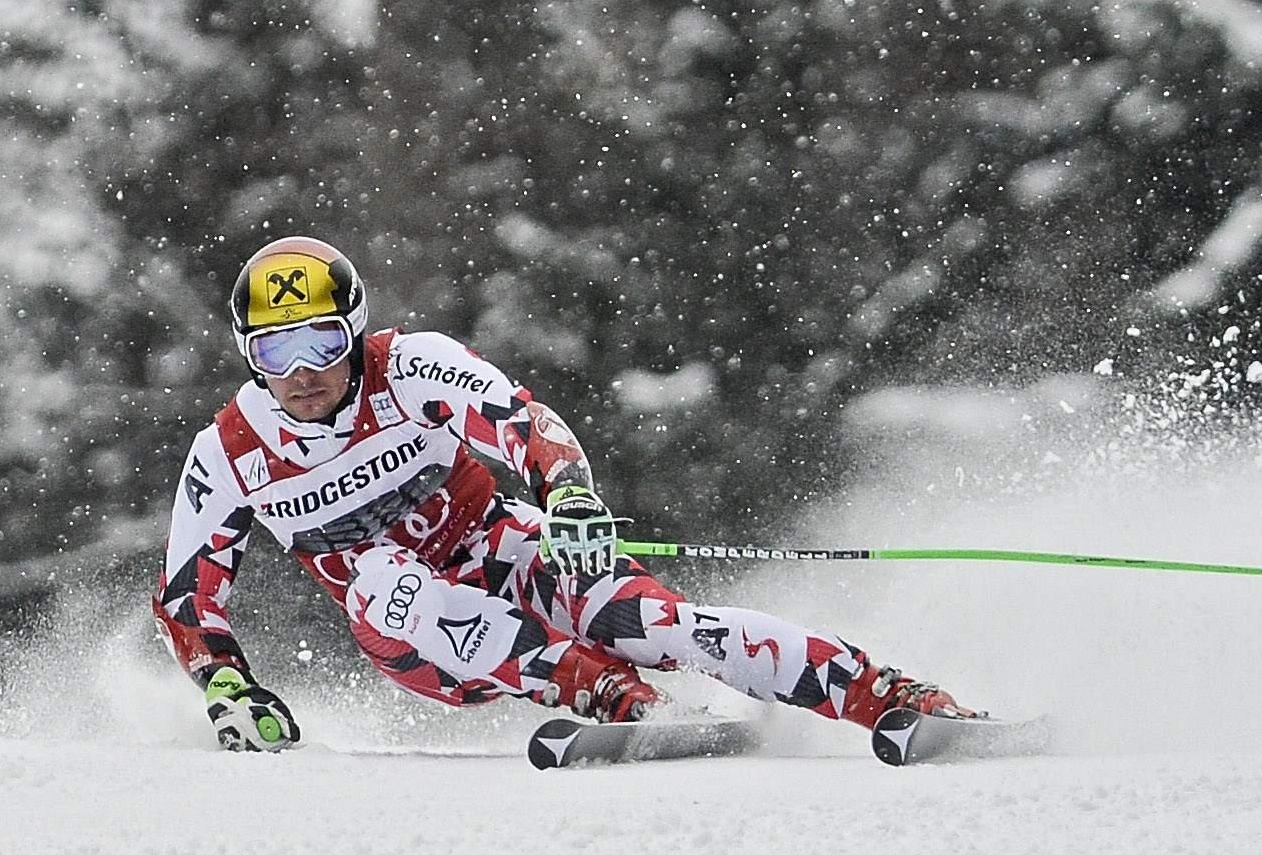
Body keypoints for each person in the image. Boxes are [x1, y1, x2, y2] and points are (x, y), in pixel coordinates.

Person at [155, 235, 979, 752]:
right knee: (382, 581)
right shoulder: (228, 451)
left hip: (502, 550)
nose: (301, 373)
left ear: (355, 328)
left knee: (654, 624)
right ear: (247, 353)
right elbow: (188, 601)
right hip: (421, 638)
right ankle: (607, 694)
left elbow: (522, 421)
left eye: (322, 342)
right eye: (274, 351)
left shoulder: (407, 366)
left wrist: (569, 500)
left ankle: (883, 694)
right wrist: (230, 688)